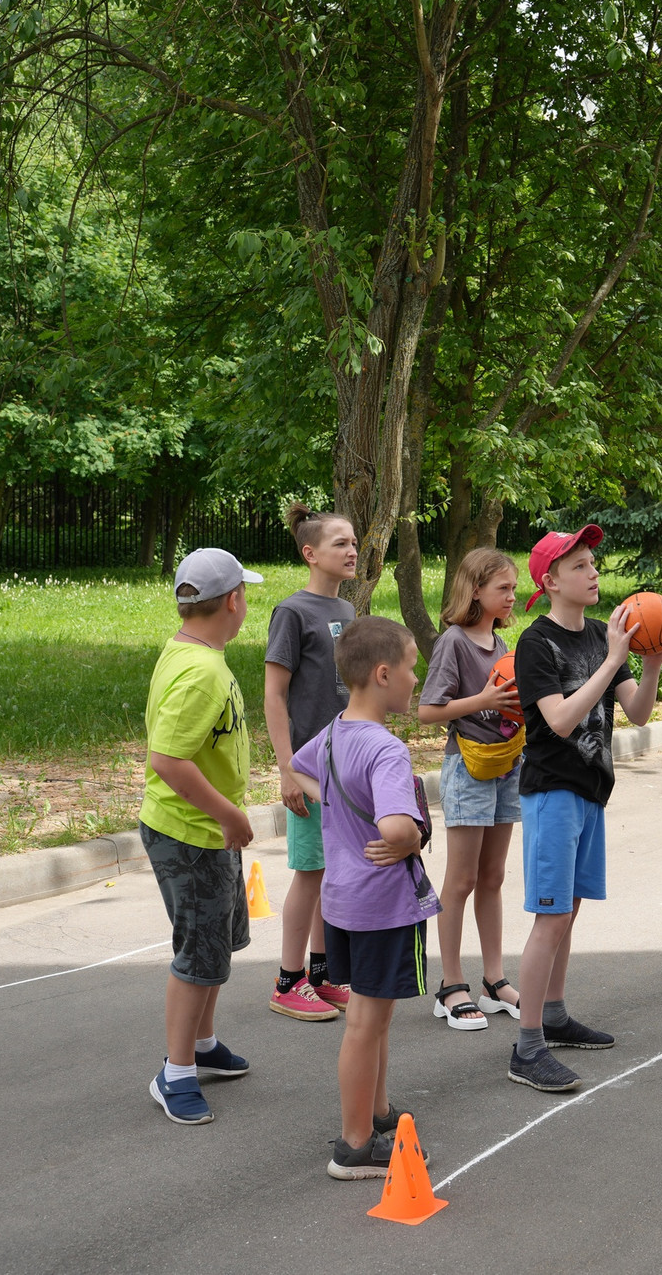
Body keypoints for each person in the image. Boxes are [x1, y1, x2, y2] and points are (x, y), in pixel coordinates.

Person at [508, 526, 662, 1092]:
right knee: (549, 917)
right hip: (551, 791)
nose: (593, 571)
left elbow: (639, 713)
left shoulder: (602, 635)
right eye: (579, 565)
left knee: (568, 911)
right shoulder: (535, 643)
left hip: (592, 790)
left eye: (593, 562)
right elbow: (558, 720)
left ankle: (552, 1015)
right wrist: (614, 657)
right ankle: (526, 1050)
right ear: (550, 581)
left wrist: (650, 661)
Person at [287, 616, 443, 1179]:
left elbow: (298, 771)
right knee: (365, 1022)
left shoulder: (331, 734)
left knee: (372, 1017)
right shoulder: (386, 750)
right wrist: (411, 838)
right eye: (410, 669)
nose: (414, 680)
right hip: (383, 905)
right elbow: (398, 826)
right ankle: (355, 1144)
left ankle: (375, 1114)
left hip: (344, 901)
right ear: (383, 674)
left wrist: (332, 800)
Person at [142, 547, 261, 1126]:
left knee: (218, 943)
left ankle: (205, 1043)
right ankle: (176, 1072)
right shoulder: (202, 673)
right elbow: (168, 758)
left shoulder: (191, 650)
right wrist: (227, 814)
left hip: (205, 829)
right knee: (198, 952)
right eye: (247, 595)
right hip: (192, 831)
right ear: (234, 601)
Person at [417, 547, 526, 1031]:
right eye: (503, 588)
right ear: (475, 589)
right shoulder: (454, 642)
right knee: (460, 880)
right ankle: (451, 984)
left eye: (514, 588)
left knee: (494, 877)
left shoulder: (505, 647)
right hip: (467, 768)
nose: (512, 596)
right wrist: (482, 699)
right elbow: (426, 710)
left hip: (507, 766)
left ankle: (494, 980)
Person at [263, 503, 358, 1022]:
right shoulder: (292, 612)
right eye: (341, 543)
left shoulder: (347, 613)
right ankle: (287, 979)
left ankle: (320, 975)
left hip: (344, 765)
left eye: (353, 543)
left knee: (332, 870)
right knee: (309, 872)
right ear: (311, 553)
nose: (352, 551)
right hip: (308, 767)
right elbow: (274, 696)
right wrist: (287, 769)